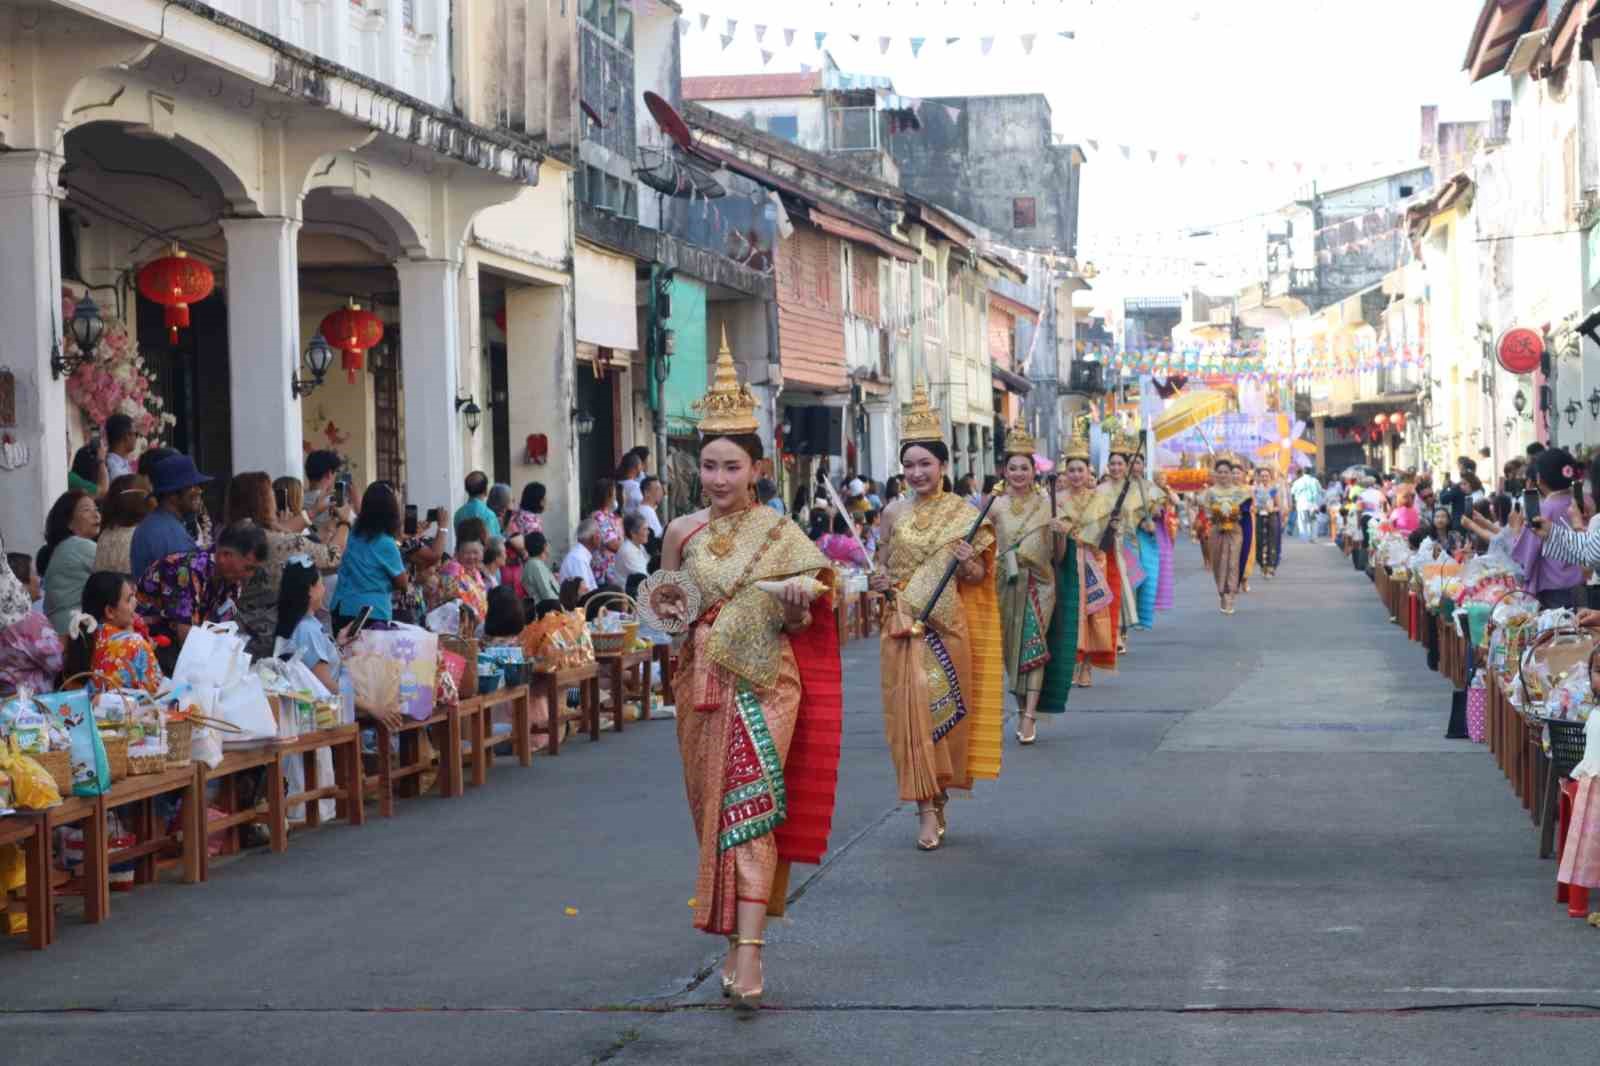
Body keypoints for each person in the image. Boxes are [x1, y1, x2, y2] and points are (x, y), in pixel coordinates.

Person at [652, 341, 842, 1014]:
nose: (719, 478)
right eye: (708, 465)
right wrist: (673, 619)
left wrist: (794, 609)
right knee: (712, 813)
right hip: (700, 687)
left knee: (751, 810)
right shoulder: (680, 533)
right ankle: (735, 938)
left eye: (732, 465)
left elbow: (808, 620)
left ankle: (751, 954)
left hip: (766, 685)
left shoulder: (783, 533)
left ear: (757, 468)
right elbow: (668, 617)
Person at [869, 383, 1001, 853]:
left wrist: (967, 559)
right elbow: (880, 569)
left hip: (948, 629)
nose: (917, 472)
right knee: (911, 718)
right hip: (902, 628)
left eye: (926, 464)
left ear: (943, 465)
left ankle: (938, 793)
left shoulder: (964, 515)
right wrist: (878, 584)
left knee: (943, 717)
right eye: (909, 465)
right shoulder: (891, 513)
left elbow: (979, 574)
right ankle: (924, 805)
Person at [225, 471, 352, 658]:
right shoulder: (280, 543)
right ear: (265, 502)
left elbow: (280, 531)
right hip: (273, 640)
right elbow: (332, 555)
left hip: (234, 639)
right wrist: (344, 522)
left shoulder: (226, 538)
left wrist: (313, 512)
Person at [990, 422, 1057, 746]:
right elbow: (983, 546)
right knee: (1011, 651)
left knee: (1034, 645)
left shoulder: (1048, 505)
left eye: (1024, 468)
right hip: (1005, 583)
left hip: (1041, 583)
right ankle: (1020, 708)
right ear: (1005, 470)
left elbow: (1058, 554)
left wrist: (1059, 533)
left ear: (1034, 471)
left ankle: (1029, 714)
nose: (1018, 473)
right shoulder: (994, 506)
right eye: (1013, 467)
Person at [1039, 420, 1112, 692]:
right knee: (1066, 612)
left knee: (1091, 613)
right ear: (1065, 473)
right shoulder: (1054, 500)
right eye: (1071, 470)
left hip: (1090, 560)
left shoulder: (1099, 499)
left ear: (1088, 471)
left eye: (1080, 470)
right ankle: (1069, 662)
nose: (1076, 475)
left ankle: (1087, 665)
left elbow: (1098, 534)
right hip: (1063, 560)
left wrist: (1070, 530)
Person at [136, 521, 267, 660]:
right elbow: (185, 636)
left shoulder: (233, 581)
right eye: (248, 568)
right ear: (224, 555)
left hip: (183, 634)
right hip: (145, 636)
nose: (250, 575)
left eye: (254, 569)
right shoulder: (187, 571)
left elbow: (218, 628)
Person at [64, 571, 163, 695]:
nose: (135, 602)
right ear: (110, 611)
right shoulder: (134, 644)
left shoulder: (79, 638)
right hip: (127, 714)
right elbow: (158, 694)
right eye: (128, 599)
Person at [328, 484, 409, 632]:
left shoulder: (349, 534)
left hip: (342, 608)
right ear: (392, 513)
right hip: (372, 613)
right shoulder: (386, 543)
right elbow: (403, 583)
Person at [131, 454, 210, 580]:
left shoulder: (151, 523)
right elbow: (184, 591)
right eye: (192, 486)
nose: (199, 490)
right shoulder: (173, 536)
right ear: (172, 495)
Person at [0, 547, 62, 696]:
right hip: (31, 705)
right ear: (20, 583)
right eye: (34, 573)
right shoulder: (30, 622)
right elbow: (56, 663)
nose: (39, 579)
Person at [1099, 432, 1142, 647]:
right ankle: (1112, 632)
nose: (1115, 467)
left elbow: (1137, 517)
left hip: (1126, 543)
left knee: (1126, 588)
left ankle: (1121, 629)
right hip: (1105, 544)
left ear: (1126, 466)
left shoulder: (1134, 489)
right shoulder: (1099, 490)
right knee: (1108, 586)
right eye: (1112, 464)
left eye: (1119, 463)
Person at [40, 489, 101, 636]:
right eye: (86, 510)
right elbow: (117, 578)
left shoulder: (65, 546)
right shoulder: (78, 545)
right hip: (75, 631)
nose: (96, 514)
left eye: (96, 509)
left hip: (63, 628)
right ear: (69, 522)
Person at [1199, 456, 1250, 614]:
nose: (1223, 475)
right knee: (1218, 564)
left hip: (1234, 531)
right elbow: (1206, 511)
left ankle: (1230, 596)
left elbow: (1244, 510)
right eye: (1219, 472)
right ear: (1215, 474)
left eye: (1226, 472)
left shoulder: (1240, 492)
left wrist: (1234, 514)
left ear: (1230, 473)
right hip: (1216, 531)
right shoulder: (1210, 492)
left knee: (1232, 562)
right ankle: (1222, 593)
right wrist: (1216, 514)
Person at [1128, 452, 1164, 627]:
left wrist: (1151, 516)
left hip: (1145, 537)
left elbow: (1158, 510)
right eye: (1131, 463)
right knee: (1130, 576)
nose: (1135, 466)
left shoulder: (1151, 488)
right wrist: (1137, 520)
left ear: (1143, 466)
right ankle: (1128, 617)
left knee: (1147, 575)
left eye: (1138, 463)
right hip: (1127, 536)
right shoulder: (1122, 488)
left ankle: (1142, 616)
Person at [499, 482, 545, 596]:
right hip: (523, 568)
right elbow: (535, 550)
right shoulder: (532, 522)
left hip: (511, 567)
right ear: (539, 501)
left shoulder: (516, 514)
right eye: (544, 498)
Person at [439, 522, 490, 623]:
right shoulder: (452, 570)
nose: (471, 557)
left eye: (475, 552)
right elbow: (454, 602)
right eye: (466, 553)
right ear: (457, 553)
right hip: (458, 628)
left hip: (477, 629)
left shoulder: (476, 572)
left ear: (482, 554)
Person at [589, 479, 624, 588]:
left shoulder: (610, 515)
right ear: (607, 496)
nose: (615, 497)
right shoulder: (599, 516)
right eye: (613, 493)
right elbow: (612, 544)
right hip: (605, 573)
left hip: (614, 571)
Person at [453, 471, 502, 540]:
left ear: (466, 490)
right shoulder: (489, 515)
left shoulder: (458, 514)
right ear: (486, 490)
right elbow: (494, 544)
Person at [557, 518, 599, 598]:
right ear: (594, 537)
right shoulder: (578, 558)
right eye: (599, 534)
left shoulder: (580, 555)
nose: (601, 538)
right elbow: (584, 594)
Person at [520, 532, 561, 606]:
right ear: (544, 546)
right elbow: (548, 595)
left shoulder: (535, 563)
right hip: (546, 612)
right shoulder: (536, 565)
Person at [616, 512, 651, 582]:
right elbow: (645, 577)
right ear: (633, 533)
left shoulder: (639, 546)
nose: (648, 532)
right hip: (628, 591)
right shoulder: (628, 551)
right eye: (645, 529)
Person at [1292, 467, 1322, 544]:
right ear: (1311, 472)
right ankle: (1313, 538)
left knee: (1302, 521)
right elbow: (1320, 491)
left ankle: (1304, 539)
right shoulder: (1315, 481)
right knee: (1313, 521)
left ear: (1303, 472)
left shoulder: (1298, 481)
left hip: (1301, 504)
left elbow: (1292, 492)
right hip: (1312, 504)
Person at [103, 413, 136, 482]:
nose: (136, 438)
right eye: (135, 434)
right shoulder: (115, 469)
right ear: (127, 436)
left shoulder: (120, 463)